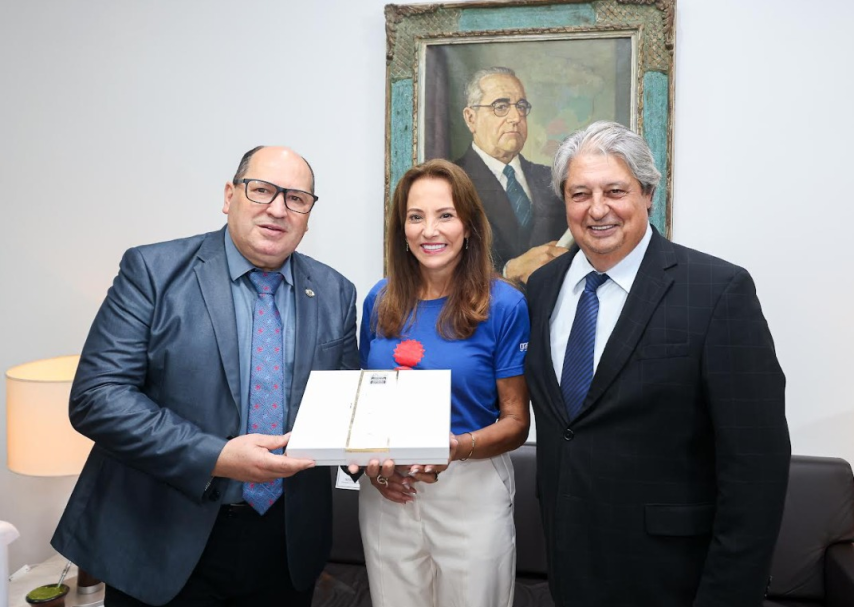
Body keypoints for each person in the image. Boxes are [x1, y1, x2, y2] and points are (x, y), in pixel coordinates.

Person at [51, 146, 359, 606]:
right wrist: (215, 456)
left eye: (296, 198)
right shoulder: (153, 272)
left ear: (308, 215)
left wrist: (380, 457)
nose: (278, 209)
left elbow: (345, 407)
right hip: (160, 539)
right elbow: (97, 397)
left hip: (286, 545)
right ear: (229, 196)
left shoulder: (336, 291)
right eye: (262, 190)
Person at [525, 121, 791, 606]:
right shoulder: (542, 288)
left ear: (648, 193)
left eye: (615, 191)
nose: (597, 209)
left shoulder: (716, 291)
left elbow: (756, 467)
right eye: (580, 193)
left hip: (673, 579)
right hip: (569, 567)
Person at [356, 159, 530, 607]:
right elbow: (365, 409)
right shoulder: (379, 299)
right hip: (389, 492)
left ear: (468, 225)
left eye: (445, 215)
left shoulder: (504, 305)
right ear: (402, 229)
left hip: (470, 484)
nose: (429, 230)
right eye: (416, 217)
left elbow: (516, 422)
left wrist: (453, 447)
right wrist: (373, 470)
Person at [455, 66, 569, 284]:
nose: (516, 117)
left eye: (521, 106)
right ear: (471, 118)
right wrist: (507, 272)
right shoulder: (449, 181)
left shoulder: (552, 179)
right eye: (501, 106)